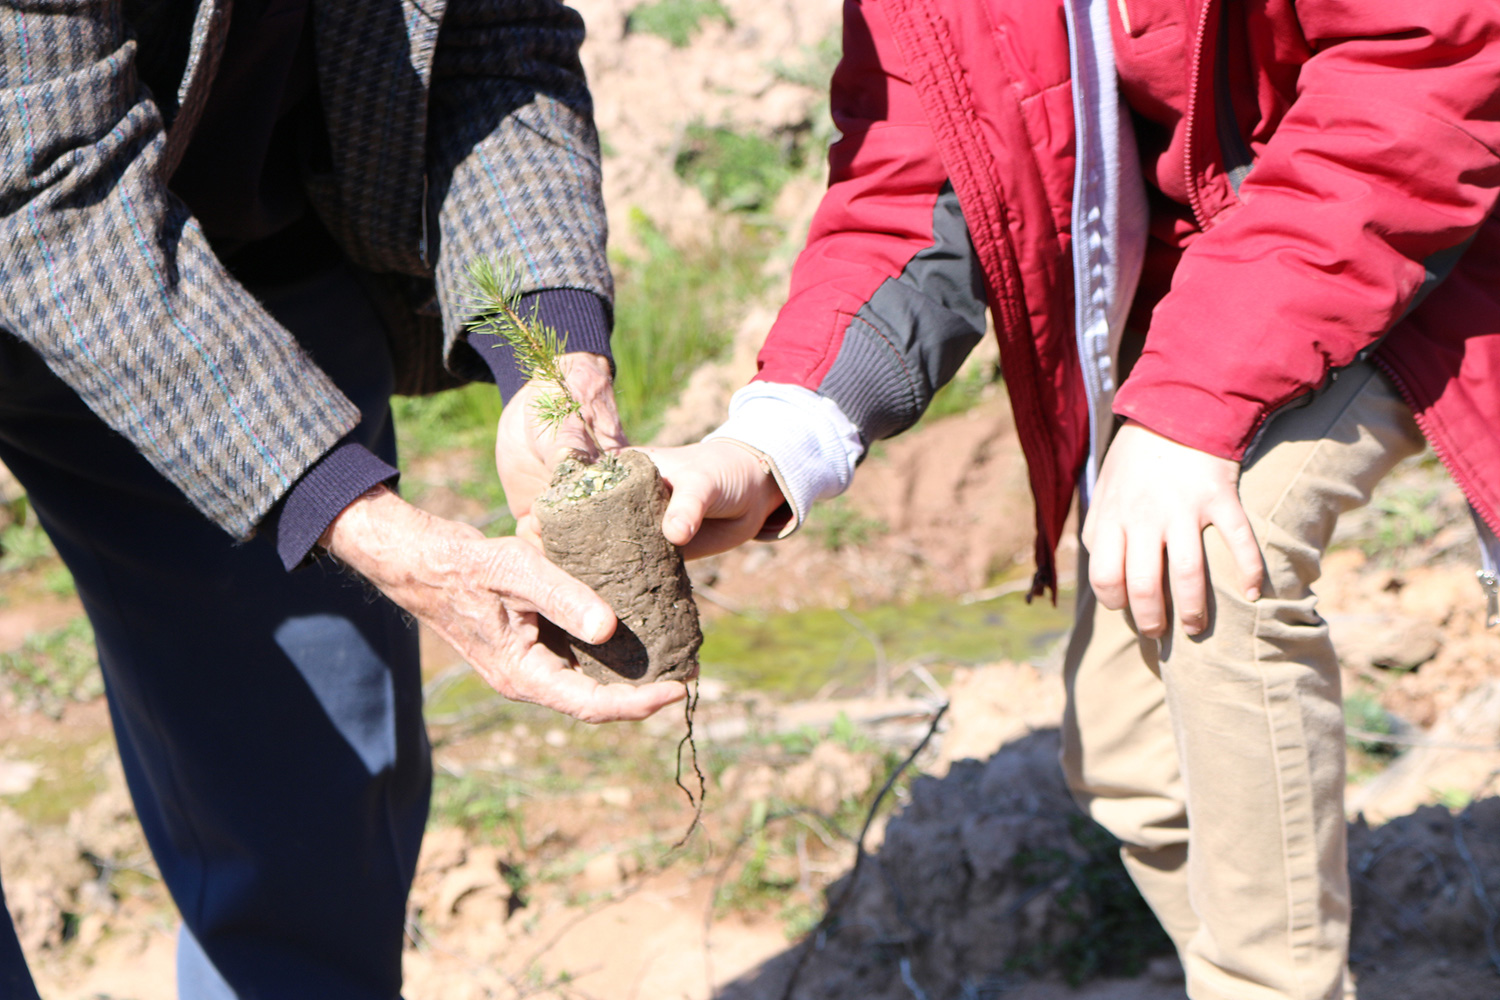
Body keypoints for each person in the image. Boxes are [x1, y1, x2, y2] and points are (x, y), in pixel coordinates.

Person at [648, 2, 1500, 998]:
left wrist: (1191, 403)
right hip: (1243, 269)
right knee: (1137, 751)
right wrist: (773, 438)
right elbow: (926, 161)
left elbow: (1424, 77)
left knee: (1221, 553)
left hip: (1430, 209)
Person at [0, 0, 683, 995]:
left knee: (311, 813)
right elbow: (42, 182)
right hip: (52, 197)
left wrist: (549, 351)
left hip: (224, 263)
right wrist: (349, 507)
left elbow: (497, 42)